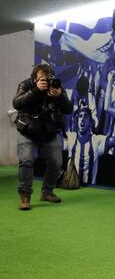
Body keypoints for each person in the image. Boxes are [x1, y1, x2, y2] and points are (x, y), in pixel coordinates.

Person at [12, 64, 73, 210]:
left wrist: (59, 97)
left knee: (56, 162)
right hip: (27, 129)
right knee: (26, 160)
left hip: (47, 131)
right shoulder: (25, 85)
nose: (46, 81)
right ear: (35, 78)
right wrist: (36, 91)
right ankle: (25, 195)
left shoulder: (56, 87)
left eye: (48, 78)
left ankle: (47, 192)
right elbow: (17, 103)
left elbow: (69, 108)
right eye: (42, 79)